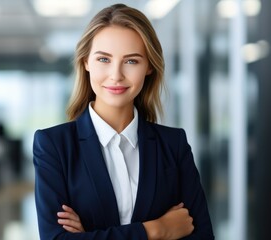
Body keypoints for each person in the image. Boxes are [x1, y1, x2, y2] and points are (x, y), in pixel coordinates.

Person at [33, 3, 214, 240]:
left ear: (149, 66)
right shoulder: (54, 145)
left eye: (131, 61)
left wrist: (92, 235)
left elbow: (201, 236)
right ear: (86, 62)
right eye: (104, 59)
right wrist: (157, 229)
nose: (116, 75)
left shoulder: (173, 144)